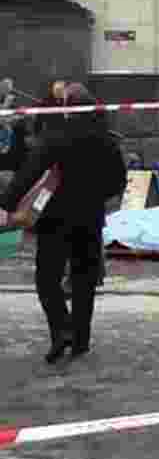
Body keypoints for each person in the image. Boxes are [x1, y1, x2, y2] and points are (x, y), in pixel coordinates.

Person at [0, 83, 127, 364]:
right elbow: (118, 181)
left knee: (47, 279)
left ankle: (61, 329)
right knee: (84, 282)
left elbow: (29, 173)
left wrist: (6, 203)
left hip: (55, 219)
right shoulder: (107, 140)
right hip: (90, 218)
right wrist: (96, 196)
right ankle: (80, 341)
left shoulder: (56, 137)